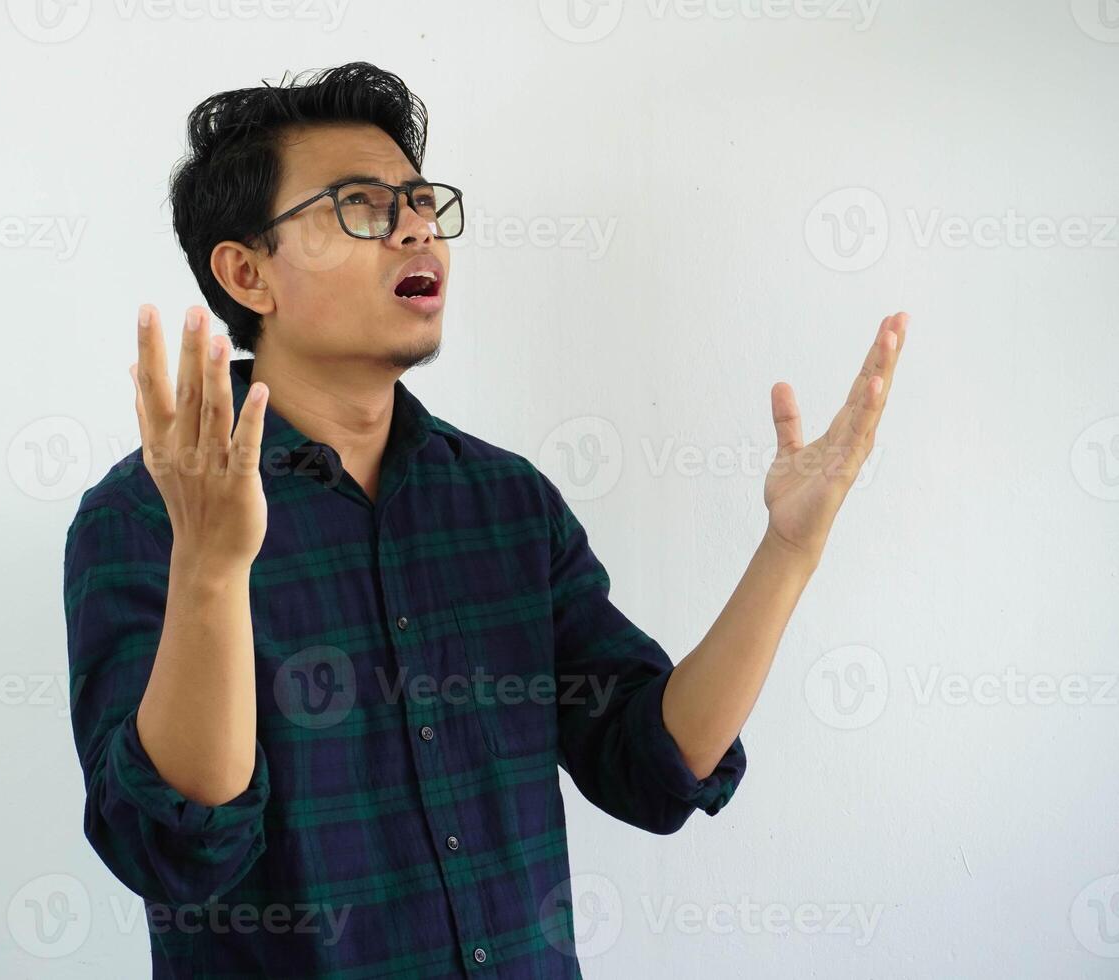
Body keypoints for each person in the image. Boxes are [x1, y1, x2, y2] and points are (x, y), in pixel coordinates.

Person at [62, 61, 908, 978]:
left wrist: (788, 550)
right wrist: (212, 572)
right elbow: (180, 848)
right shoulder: (142, 521)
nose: (416, 227)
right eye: (363, 206)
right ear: (247, 272)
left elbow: (652, 762)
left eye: (422, 203)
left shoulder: (506, 504)